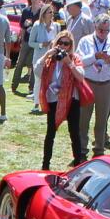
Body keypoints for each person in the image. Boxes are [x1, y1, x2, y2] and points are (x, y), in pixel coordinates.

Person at [37, 32, 86, 170]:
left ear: (71, 45)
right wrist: (47, 55)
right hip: (54, 99)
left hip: (71, 99)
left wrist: (69, 63)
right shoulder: (50, 59)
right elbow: (37, 71)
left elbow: (81, 77)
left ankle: (77, 163)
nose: (63, 46)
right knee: (50, 133)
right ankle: (45, 165)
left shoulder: (74, 58)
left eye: (66, 43)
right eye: (60, 43)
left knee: (74, 132)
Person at [78, 16, 110, 157]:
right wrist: (94, 56)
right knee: (83, 119)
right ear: (95, 27)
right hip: (88, 82)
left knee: (102, 119)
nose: (103, 33)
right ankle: (81, 149)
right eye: (100, 30)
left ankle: (99, 149)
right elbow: (79, 62)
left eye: (106, 30)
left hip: (106, 84)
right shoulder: (85, 41)